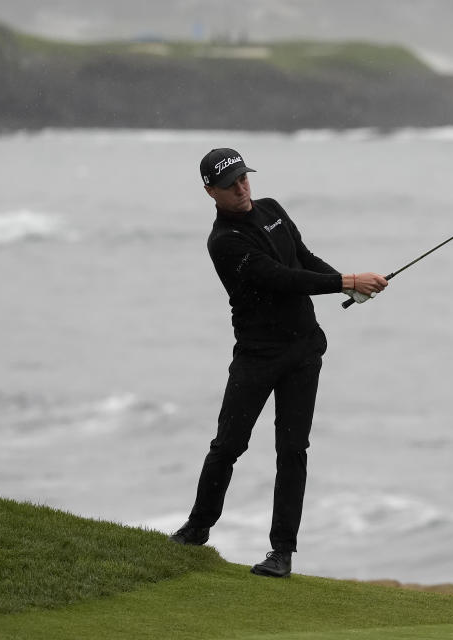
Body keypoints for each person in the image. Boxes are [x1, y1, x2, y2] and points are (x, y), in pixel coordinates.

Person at [169, 148, 387, 578]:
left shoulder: (271, 209)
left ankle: (281, 552)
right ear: (210, 191)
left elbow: (301, 259)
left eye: (244, 179)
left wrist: (349, 286)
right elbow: (278, 278)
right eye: (230, 185)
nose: (241, 189)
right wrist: (346, 281)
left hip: (303, 351)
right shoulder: (224, 242)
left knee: (292, 450)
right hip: (257, 355)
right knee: (228, 445)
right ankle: (198, 527)